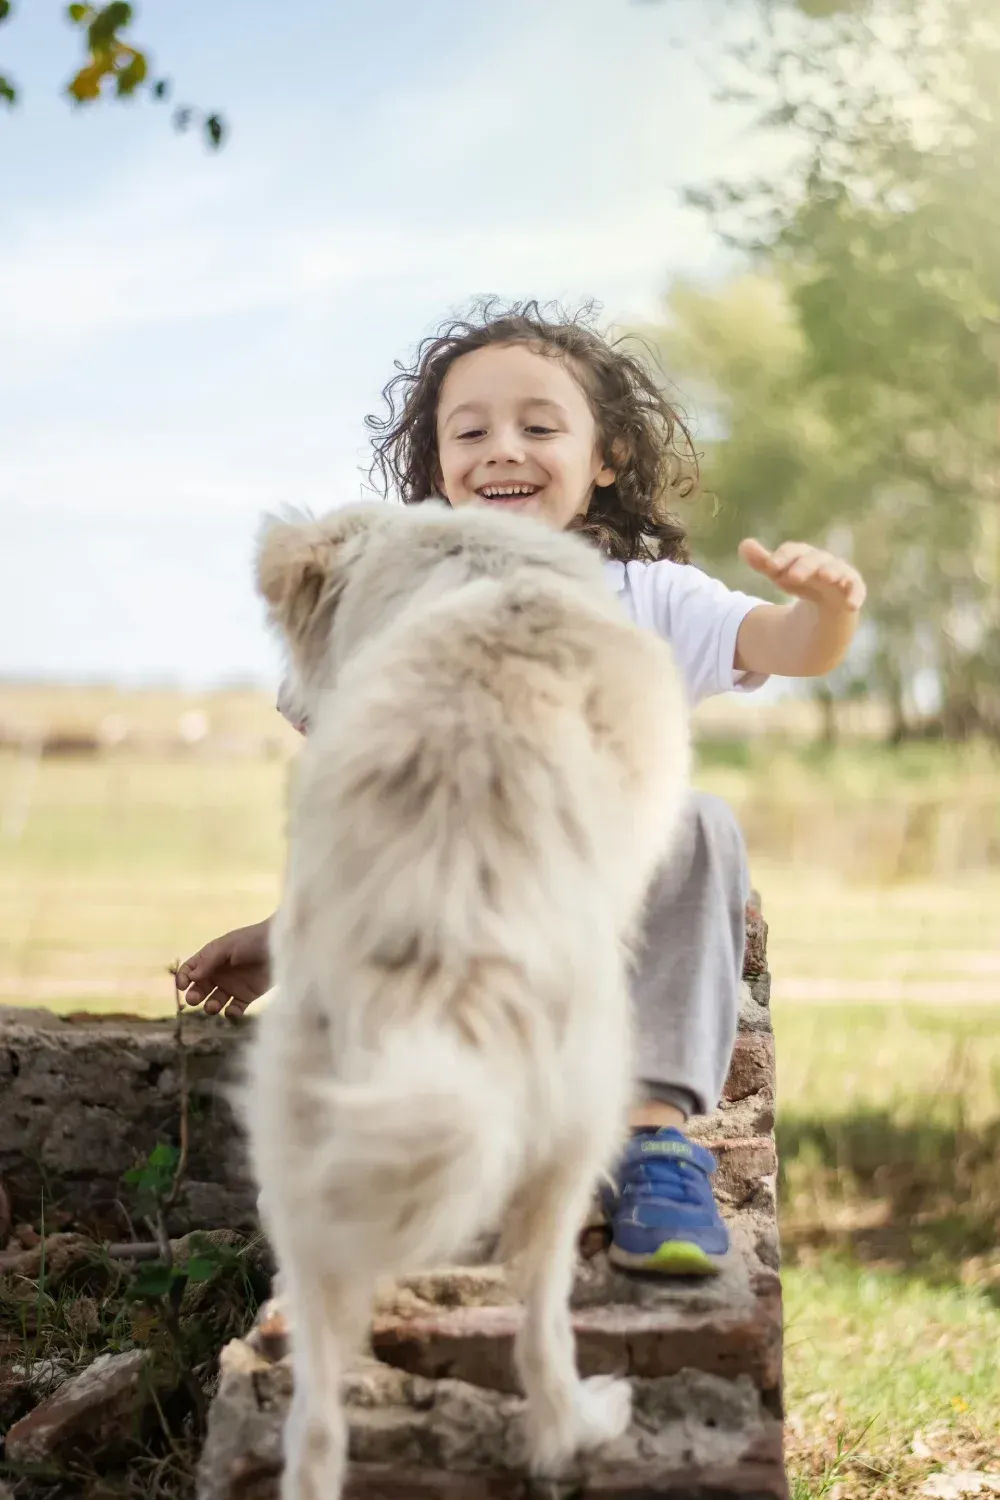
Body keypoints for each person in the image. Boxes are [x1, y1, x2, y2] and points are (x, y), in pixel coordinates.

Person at [176, 301, 865, 1277]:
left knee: (699, 824)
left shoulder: (650, 594)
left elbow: (786, 647)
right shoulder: (391, 598)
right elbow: (349, 809)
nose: (504, 449)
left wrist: (827, 610)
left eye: (540, 427)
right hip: (449, 940)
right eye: (471, 431)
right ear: (435, 471)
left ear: (606, 459)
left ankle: (651, 1141)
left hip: (596, 905)